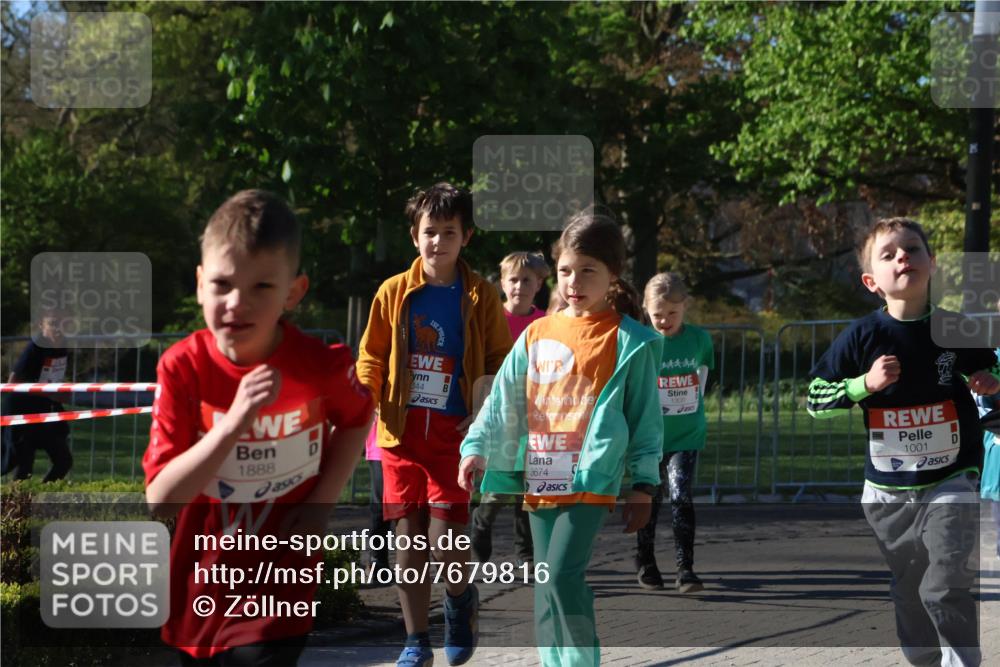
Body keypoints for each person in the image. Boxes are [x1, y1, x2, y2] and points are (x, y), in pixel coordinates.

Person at [143, 190, 373, 666]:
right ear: (200, 283)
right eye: (223, 284)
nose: (237, 303)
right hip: (195, 594)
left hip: (278, 592)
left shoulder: (319, 367)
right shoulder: (181, 368)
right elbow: (161, 500)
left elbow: (356, 419)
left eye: (262, 287)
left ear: (294, 291)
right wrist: (233, 424)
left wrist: (320, 505)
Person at [459, 209, 663, 667]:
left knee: (561, 578)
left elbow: (647, 421)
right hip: (539, 476)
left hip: (591, 479)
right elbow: (501, 401)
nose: (574, 281)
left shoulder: (630, 341)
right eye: (566, 270)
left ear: (613, 274)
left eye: (588, 270)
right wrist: (474, 448)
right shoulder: (536, 333)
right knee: (545, 583)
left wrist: (644, 485)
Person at [807, 218, 999, 667]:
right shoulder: (861, 337)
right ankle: (923, 659)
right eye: (890, 254)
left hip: (951, 477)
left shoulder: (957, 328)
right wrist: (863, 386)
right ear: (872, 281)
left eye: (912, 249)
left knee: (946, 580)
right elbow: (814, 397)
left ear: (932, 263)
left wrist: (990, 381)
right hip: (888, 490)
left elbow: (994, 369)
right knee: (909, 585)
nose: (903, 258)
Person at [356, 182, 512, 667]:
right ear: (414, 236)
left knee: (447, 542)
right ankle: (416, 640)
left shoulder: (481, 295)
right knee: (408, 536)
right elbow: (370, 356)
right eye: (430, 232)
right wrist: (367, 397)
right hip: (400, 435)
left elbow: (499, 358)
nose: (438, 241)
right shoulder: (392, 292)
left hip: (454, 437)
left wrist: (483, 411)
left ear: (466, 236)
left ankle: (460, 601)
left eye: (449, 232)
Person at [469, 251, 550, 568]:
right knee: (500, 482)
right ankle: (481, 522)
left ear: (539, 283)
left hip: (533, 414)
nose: (519, 286)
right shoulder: (492, 320)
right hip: (497, 413)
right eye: (513, 280)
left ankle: (525, 552)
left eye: (526, 280)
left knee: (529, 482)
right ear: (502, 282)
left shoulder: (545, 322)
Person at [635, 272, 714, 593]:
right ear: (646, 310)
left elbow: (705, 376)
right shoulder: (642, 342)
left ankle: (686, 568)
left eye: (673, 313)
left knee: (681, 496)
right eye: (658, 315)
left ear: (685, 308)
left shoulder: (699, 340)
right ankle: (646, 560)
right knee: (649, 500)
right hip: (649, 437)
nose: (665, 321)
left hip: (686, 434)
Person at [2, 311, 73, 481]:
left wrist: (60, 392)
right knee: (24, 464)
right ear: (42, 325)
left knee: (63, 460)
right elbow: (12, 383)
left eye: (61, 324)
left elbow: (55, 379)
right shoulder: (35, 347)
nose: (58, 329)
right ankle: (16, 505)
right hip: (22, 411)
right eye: (53, 324)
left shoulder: (62, 348)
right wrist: (44, 391)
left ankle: (40, 499)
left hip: (46, 411)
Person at [365, 418, 393, 578]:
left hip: (417, 442)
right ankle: (378, 559)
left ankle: (417, 561)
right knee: (381, 504)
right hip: (381, 441)